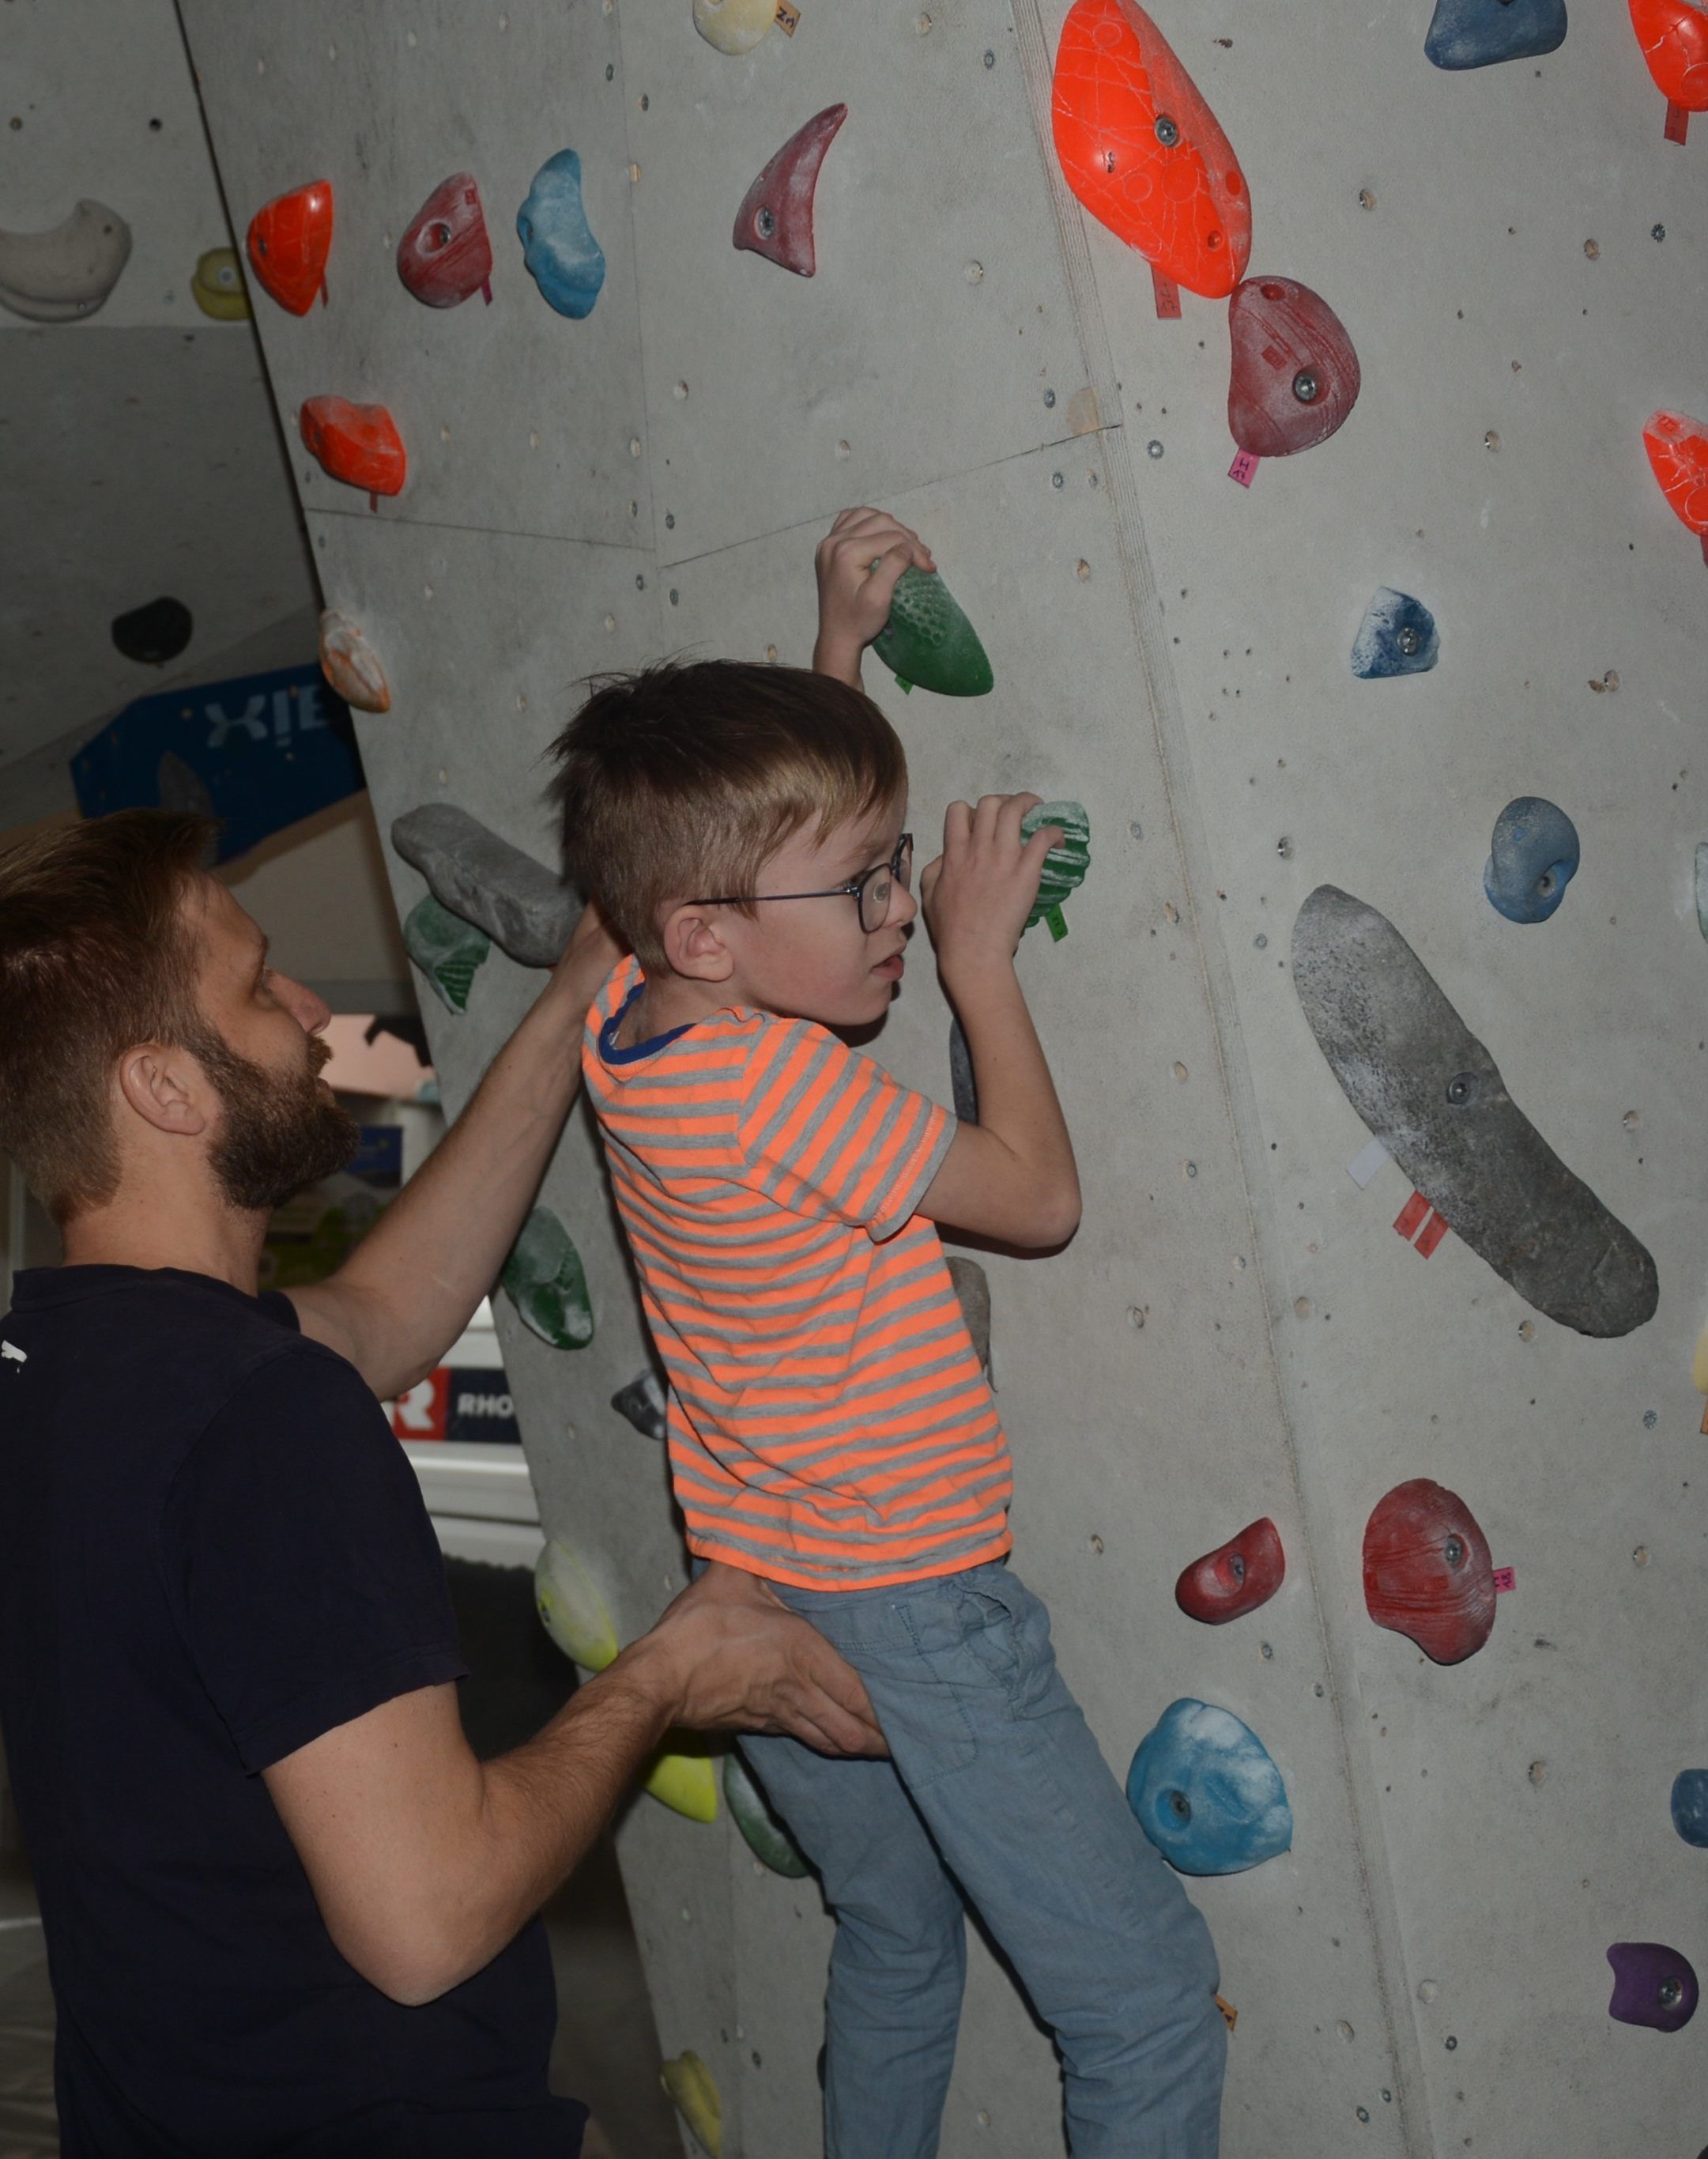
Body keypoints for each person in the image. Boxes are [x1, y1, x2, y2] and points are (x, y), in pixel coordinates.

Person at [0, 810, 888, 2155]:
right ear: (166, 1088)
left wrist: (566, 1010)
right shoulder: (258, 1413)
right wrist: (670, 1673)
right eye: (256, 985)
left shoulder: (33, 1368)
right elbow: (427, 1924)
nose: (309, 1011)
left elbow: (386, 1314)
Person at [550, 508, 1227, 2158]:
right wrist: (978, 961)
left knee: (898, 1938)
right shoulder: (772, 1080)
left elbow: (743, 861)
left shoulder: (628, 1027)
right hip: (908, 1592)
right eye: (863, 885)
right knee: (1139, 2006)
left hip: (763, 1582)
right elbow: (1029, 1195)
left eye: (898, 869)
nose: (893, 908)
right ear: (709, 930)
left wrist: (834, 649)